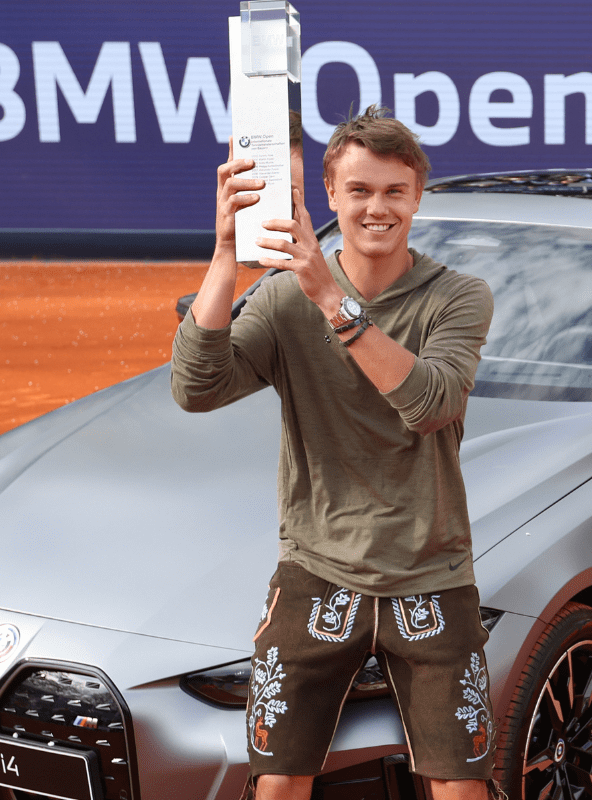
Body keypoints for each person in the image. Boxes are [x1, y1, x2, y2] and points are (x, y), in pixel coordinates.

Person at [169, 106, 496, 800]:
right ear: (331, 195)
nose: (377, 208)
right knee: (277, 785)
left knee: (462, 790)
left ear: (417, 196)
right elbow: (196, 388)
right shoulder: (282, 299)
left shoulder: (458, 297)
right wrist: (226, 255)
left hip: (430, 573)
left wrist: (331, 299)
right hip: (317, 571)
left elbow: (431, 404)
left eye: (394, 191)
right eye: (360, 190)